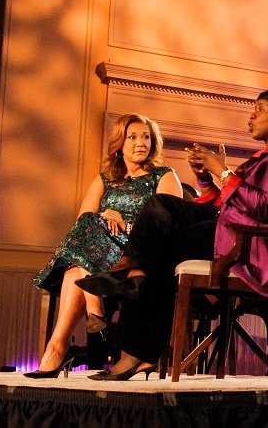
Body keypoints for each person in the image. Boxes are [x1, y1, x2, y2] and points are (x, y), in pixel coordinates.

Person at [75, 88, 268, 381]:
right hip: (228, 226)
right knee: (161, 204)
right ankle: (130, 269)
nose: (251, 115)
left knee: (159, 252)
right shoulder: (266, 156)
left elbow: (266, 208)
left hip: (248, 242)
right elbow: (225, 202)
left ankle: (133, 339)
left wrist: (224, 172)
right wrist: (205, 177)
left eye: (260, 109)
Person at [25, 114, 183, 378]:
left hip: (139, 255)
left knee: (76, 268)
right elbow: (82, 223)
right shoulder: (105, 179)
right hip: (103, 252)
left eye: (146, 137)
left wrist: (125, 223)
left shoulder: (165, 177)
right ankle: (79, 321)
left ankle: (66, 339)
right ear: (119, 144)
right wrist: (105, 218)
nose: (140, 143)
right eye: (132, 137)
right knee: (86, 232)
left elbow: (167, 228)